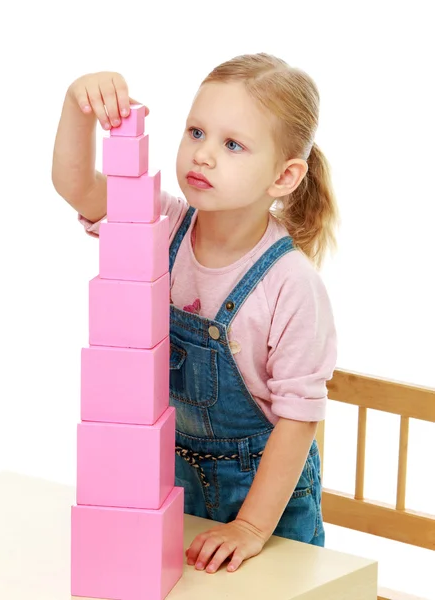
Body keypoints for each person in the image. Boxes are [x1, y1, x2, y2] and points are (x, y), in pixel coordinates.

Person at [52, 52, 338, 575]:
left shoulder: (291, 284)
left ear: (285, 176)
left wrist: (250, 528)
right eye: (196, 132)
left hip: (267, 508)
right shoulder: (161, 223)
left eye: (232, 145)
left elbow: (300, 419)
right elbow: (80, 187)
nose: (202, 155)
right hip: (175, 483)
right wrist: (78, 105)